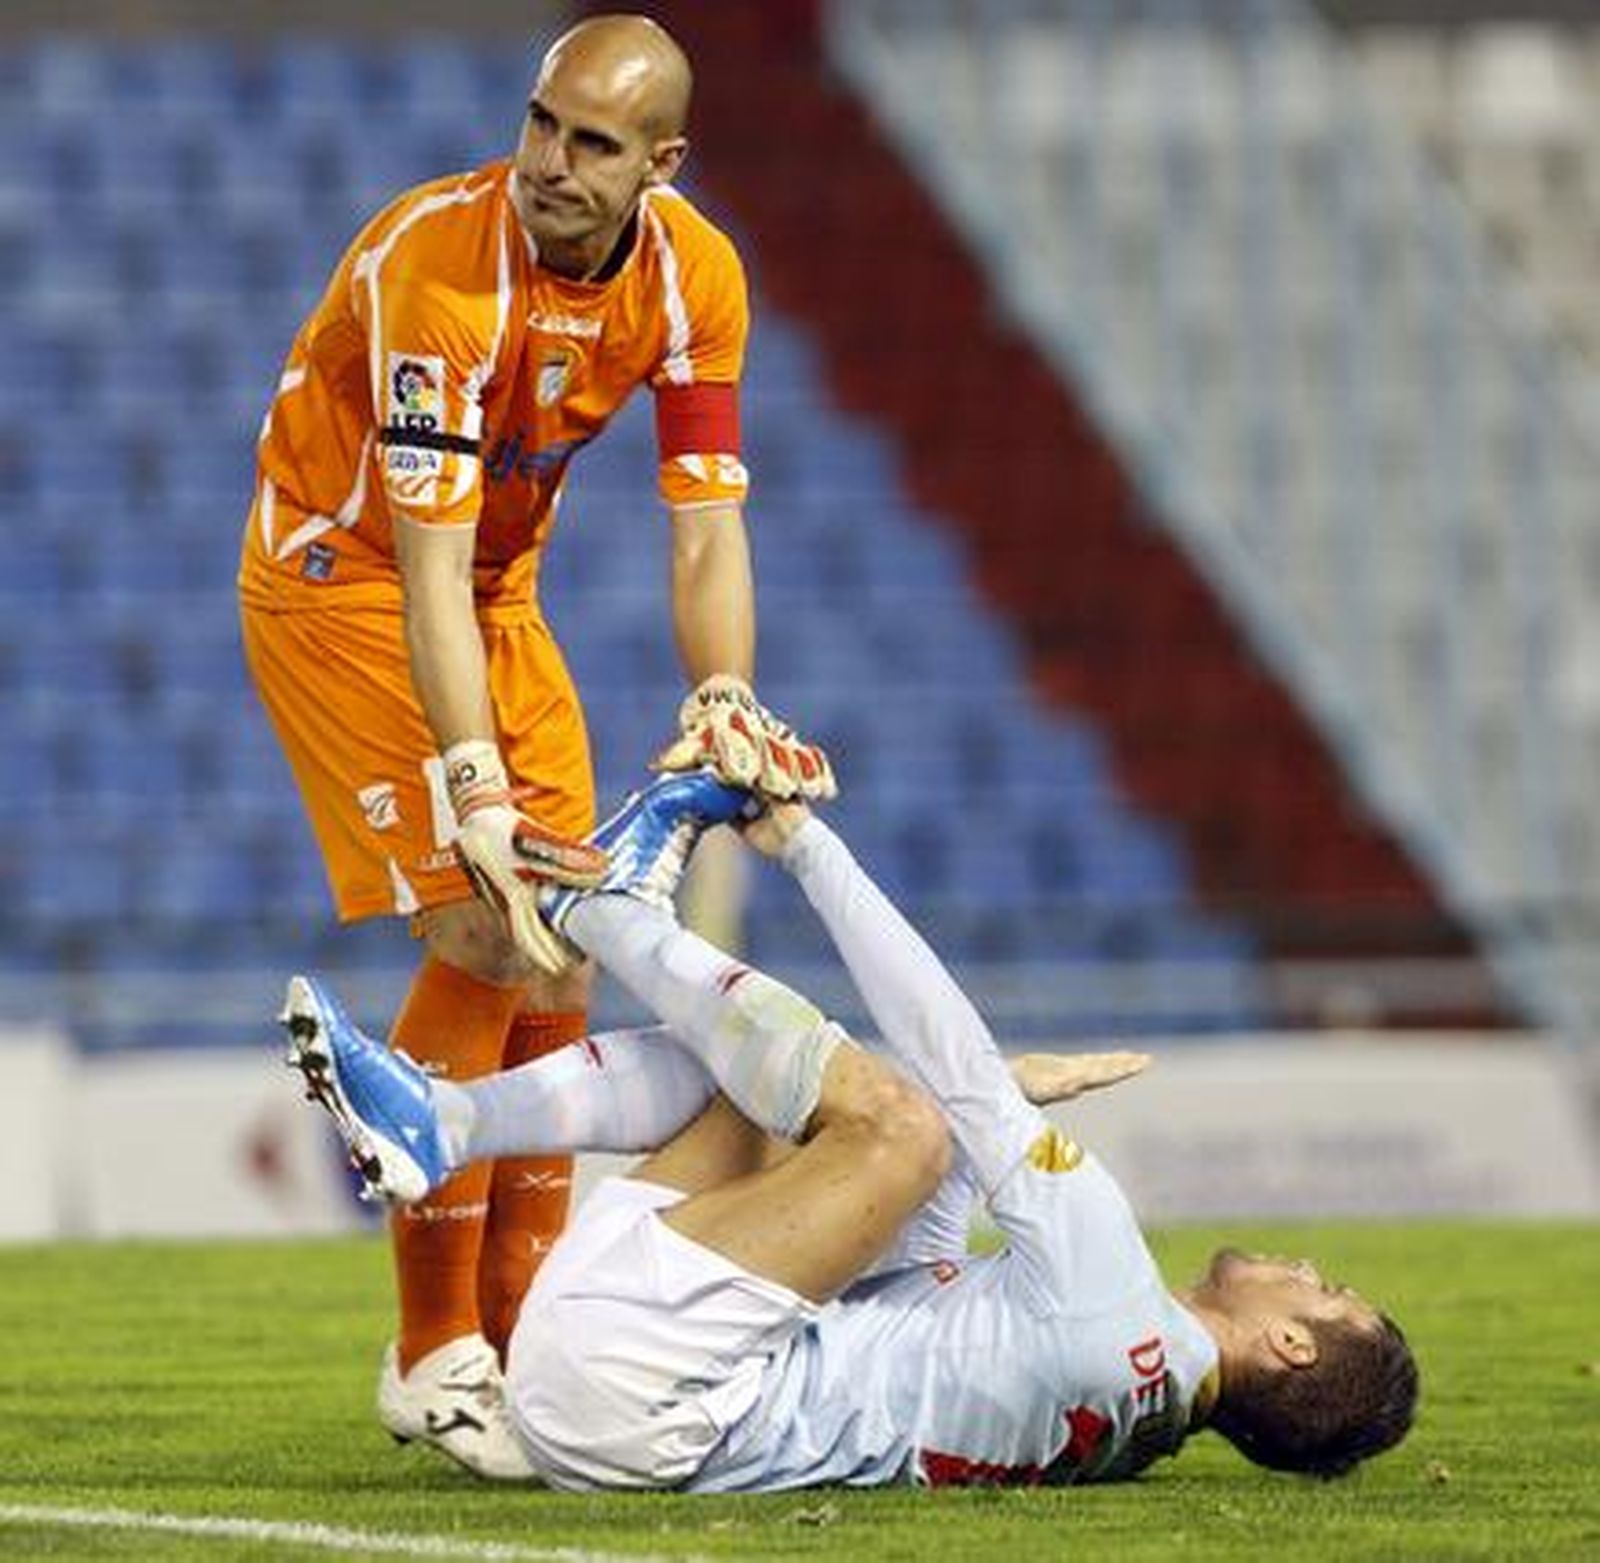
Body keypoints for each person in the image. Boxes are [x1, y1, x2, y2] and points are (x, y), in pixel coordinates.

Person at [238, 13, 833, 1479]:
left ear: (661, 162)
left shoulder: (695, 276)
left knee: (571, 942)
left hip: (495, 598)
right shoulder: (439, 269)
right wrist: (475, 789)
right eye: (541, 121)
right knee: (491, 931)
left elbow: (705, 521)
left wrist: (726, 693)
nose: (549, 161)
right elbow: (423, 565)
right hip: (344, 583)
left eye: (592, 142)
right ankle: (433, 1356)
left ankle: (525, 1338)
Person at [282, 772, 1419, 1491]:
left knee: (892, 1112)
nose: (1309, 1272)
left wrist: (804, 848)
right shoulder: (1136, 1424)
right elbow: (910, 1286)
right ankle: (445, 1119)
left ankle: (604, 907)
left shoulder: (1113, 1291)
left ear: (1291, 1349)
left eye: (1325, 1294)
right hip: (619, 1430)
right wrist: (970, 1129)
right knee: (782, 1087)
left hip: (640, 1380)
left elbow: (947, 1062)